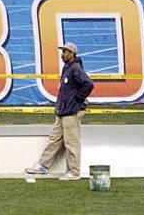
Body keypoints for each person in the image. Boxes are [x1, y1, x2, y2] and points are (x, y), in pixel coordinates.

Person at [26, 41, 95, 182]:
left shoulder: (75, 68)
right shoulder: (68, 68)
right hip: (63, 110)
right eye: (62, 51)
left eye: (65, 52)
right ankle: (43, 165)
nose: (62, 55)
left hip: (72, 111)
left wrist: (77, 99)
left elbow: (89, 84)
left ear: (72, 54)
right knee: (55, 139)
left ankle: (74, 172)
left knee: (71, 142)